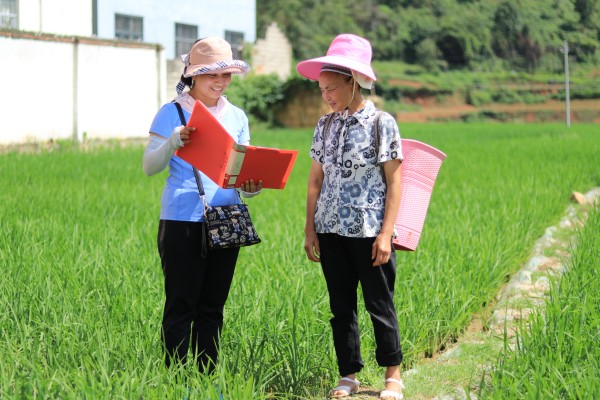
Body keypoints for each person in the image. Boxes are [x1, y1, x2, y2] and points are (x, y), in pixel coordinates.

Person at [143, 37, 262, 373]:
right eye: (212, 75)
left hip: (226, 216)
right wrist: (173, 141)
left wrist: (252, 188)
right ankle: (177, 381)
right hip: (182, 219)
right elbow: (149, 166)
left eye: (226, 75)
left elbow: (242, 173)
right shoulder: (173, 112)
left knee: (213, 307)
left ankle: (207, 377)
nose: (220, 82)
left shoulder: (237, 116)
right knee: (182, 304)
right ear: (193, 75)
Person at [297, 34, 405, 399]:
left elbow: (395, 181)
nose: (326, 95)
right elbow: (315, 180)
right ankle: (349, 374)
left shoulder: (381, 123)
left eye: (331, 88)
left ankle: (393, 375)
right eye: (321, 90)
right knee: (340, 307)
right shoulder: (324, 126)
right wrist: (310, 229)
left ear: (352, 81)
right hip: (330, 230)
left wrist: (386, 233)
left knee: (379, 304)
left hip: (369, 230)